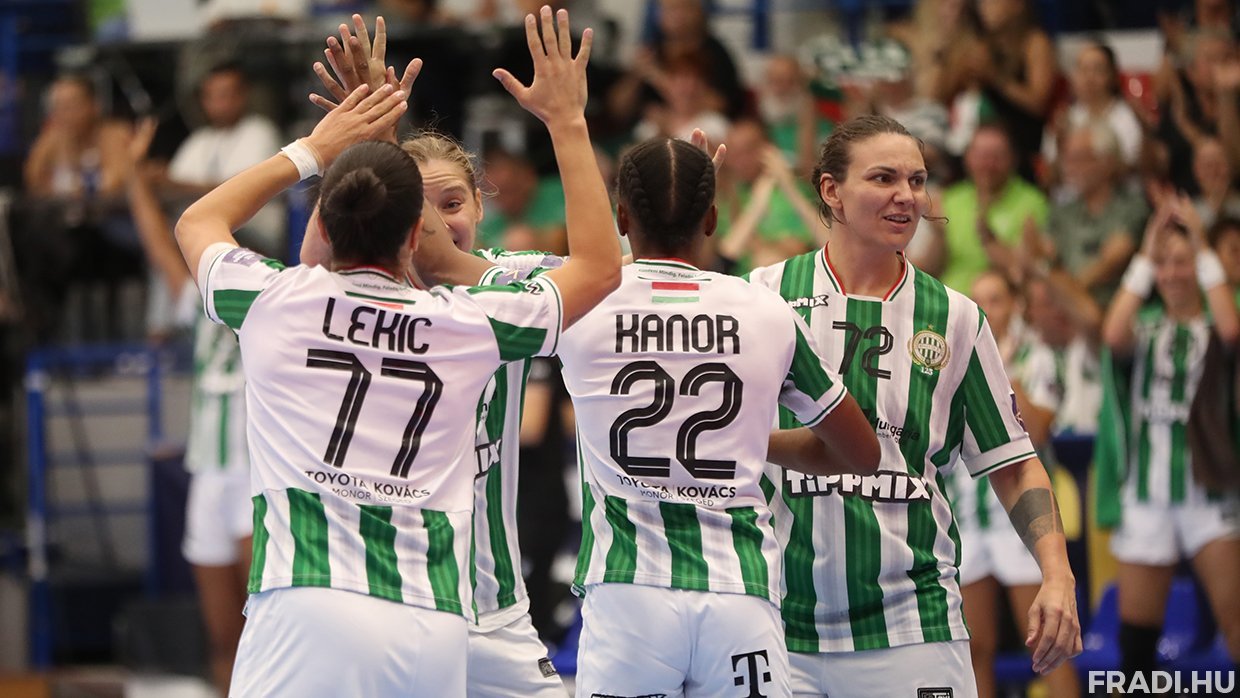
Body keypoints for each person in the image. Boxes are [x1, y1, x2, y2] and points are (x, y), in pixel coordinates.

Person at [173, 8, 621, 695]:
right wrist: (565, 121)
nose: (441, 222)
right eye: (427, 208)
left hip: (455, 605)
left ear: (483, 203)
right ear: (410, 230)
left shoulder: (284, 301)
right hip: (426, 601)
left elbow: (206, 223)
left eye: (455, 202)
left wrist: (328, 147)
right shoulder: (475, 320)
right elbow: (598, 268)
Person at [745, 115, 1081, 697]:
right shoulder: (763, 296)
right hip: (779, 625)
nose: (907, 195)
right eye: (884, 178)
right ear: (831, 191)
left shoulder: (956, 317)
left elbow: (1013, 462)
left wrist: (1058, 574)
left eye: (917, 180)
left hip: (913, 624)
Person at [125, 118, 253, 694]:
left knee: (263, 634)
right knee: (222, 640)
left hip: (257, 478)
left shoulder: (278, 308)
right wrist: (134, 177)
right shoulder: (199, 305)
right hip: (209, 477)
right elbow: (159, 244)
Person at [1099, 197, 1240, 686]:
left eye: (1183, 262)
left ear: (1199, 266)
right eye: (1165, 263)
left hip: (1210, 494)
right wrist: (1145, 253)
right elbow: (1111, 334)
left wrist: (1201, 244)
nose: (1173, 273)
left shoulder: (1217, 324)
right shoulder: (1145, 327)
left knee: (1236, 623)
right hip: (1147, 495)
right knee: (1136, 640)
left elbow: (1231, 330)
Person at [950, 270, 1080, 698]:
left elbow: (1038, 429)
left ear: (1015, 306)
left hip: (1018, 520)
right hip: (968, 517)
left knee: (1048, 643)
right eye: (979, 300)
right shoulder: (953, 354)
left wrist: (1001, 370)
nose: (987, 310)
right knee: (973, 648)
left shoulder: (1037, 356)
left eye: (997, 300)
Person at [165, 61, 285, 256]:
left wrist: (182, 188)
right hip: (205, 231)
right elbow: (170, 187)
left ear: (243, 95)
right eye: (211, 96)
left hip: (251, 233)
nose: (219, 103)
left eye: (225, 94)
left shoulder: (260, 131)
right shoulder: (199, 139)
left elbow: (240, 192)